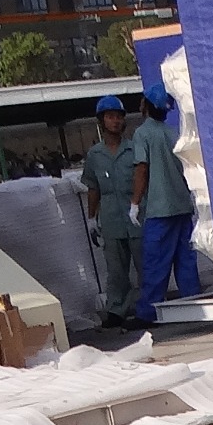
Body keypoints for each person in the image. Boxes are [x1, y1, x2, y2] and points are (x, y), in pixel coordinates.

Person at [126, 94, 198, 327]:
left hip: (159, 209)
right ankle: (193, 307)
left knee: (156, 262)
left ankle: (148, 313)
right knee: (185, 261)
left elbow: (142, 170)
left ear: (145, 105)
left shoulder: (142, 133)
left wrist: (135, 203)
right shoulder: (173, 133)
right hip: (182, 205)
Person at [80, 94, 144, 329]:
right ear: (101, 121)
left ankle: (149, 307)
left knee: (145, 264)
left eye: (118, 117)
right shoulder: (95, 155)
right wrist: (91, 218)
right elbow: (93, 187)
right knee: (116, 270)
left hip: (136, 216)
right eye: (110, 117)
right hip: (111, 218)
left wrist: (138, 206)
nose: (115, 121)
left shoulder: (134, 149)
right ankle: (116, 310)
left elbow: (143, 178)